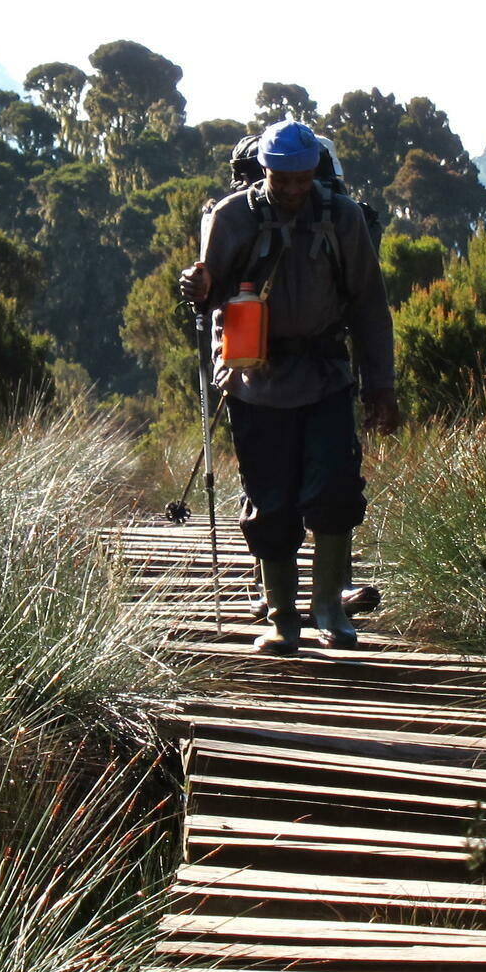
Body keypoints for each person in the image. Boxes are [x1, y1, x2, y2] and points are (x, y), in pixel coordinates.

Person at [180, 118, 400, 653]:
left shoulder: (342, 218)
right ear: (266, 170)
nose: (296, 190)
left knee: (335, 489)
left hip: (326, 376)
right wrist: (197, 288)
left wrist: (380, 387)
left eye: (303, 178)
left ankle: (329, 608)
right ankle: (282, 617)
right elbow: (209, 299)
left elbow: (370, 305)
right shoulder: (232, 217)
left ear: (314, 171)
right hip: (256, 381)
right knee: (270, 499)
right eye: (285, 180)